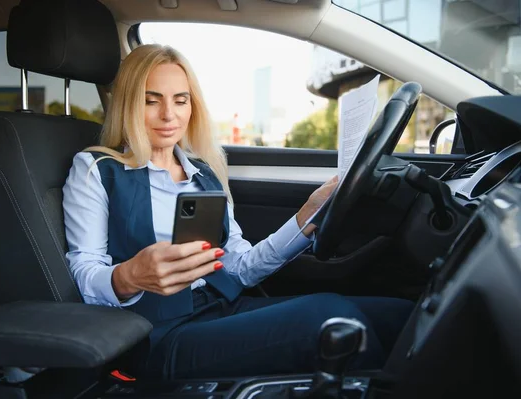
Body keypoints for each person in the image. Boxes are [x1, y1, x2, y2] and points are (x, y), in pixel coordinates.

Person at [62, 44, 413, 380]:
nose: (169, 114)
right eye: (151, 101)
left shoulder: (204, 173)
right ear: (128, 105)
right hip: (155, 334)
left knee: (399, 316)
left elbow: (239, 268)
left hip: (220, 308)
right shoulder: (97, 169)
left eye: (180, 101)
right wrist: (129, 276)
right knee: (330, 317)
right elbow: (84, 269)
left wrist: (307, 217)